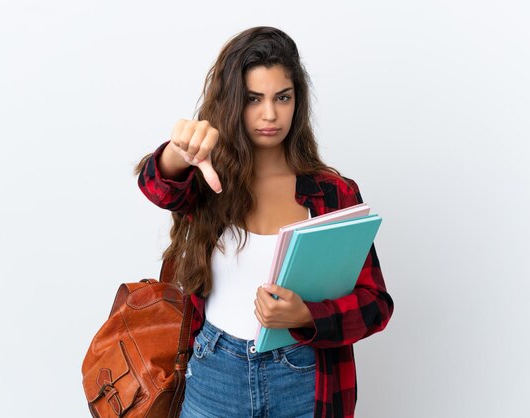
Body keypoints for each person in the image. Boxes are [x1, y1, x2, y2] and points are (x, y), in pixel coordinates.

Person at [135, 26, 393, 418]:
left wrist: (307, 316)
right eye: (253, 99)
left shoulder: (333, 194)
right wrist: (179, 151)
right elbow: (158, 186)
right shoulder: (209, 179)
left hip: (303, 377)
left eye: (282, 98)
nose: (270, 114)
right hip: (214, 374)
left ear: (297, 102)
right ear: (232, 103)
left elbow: (375, 304)